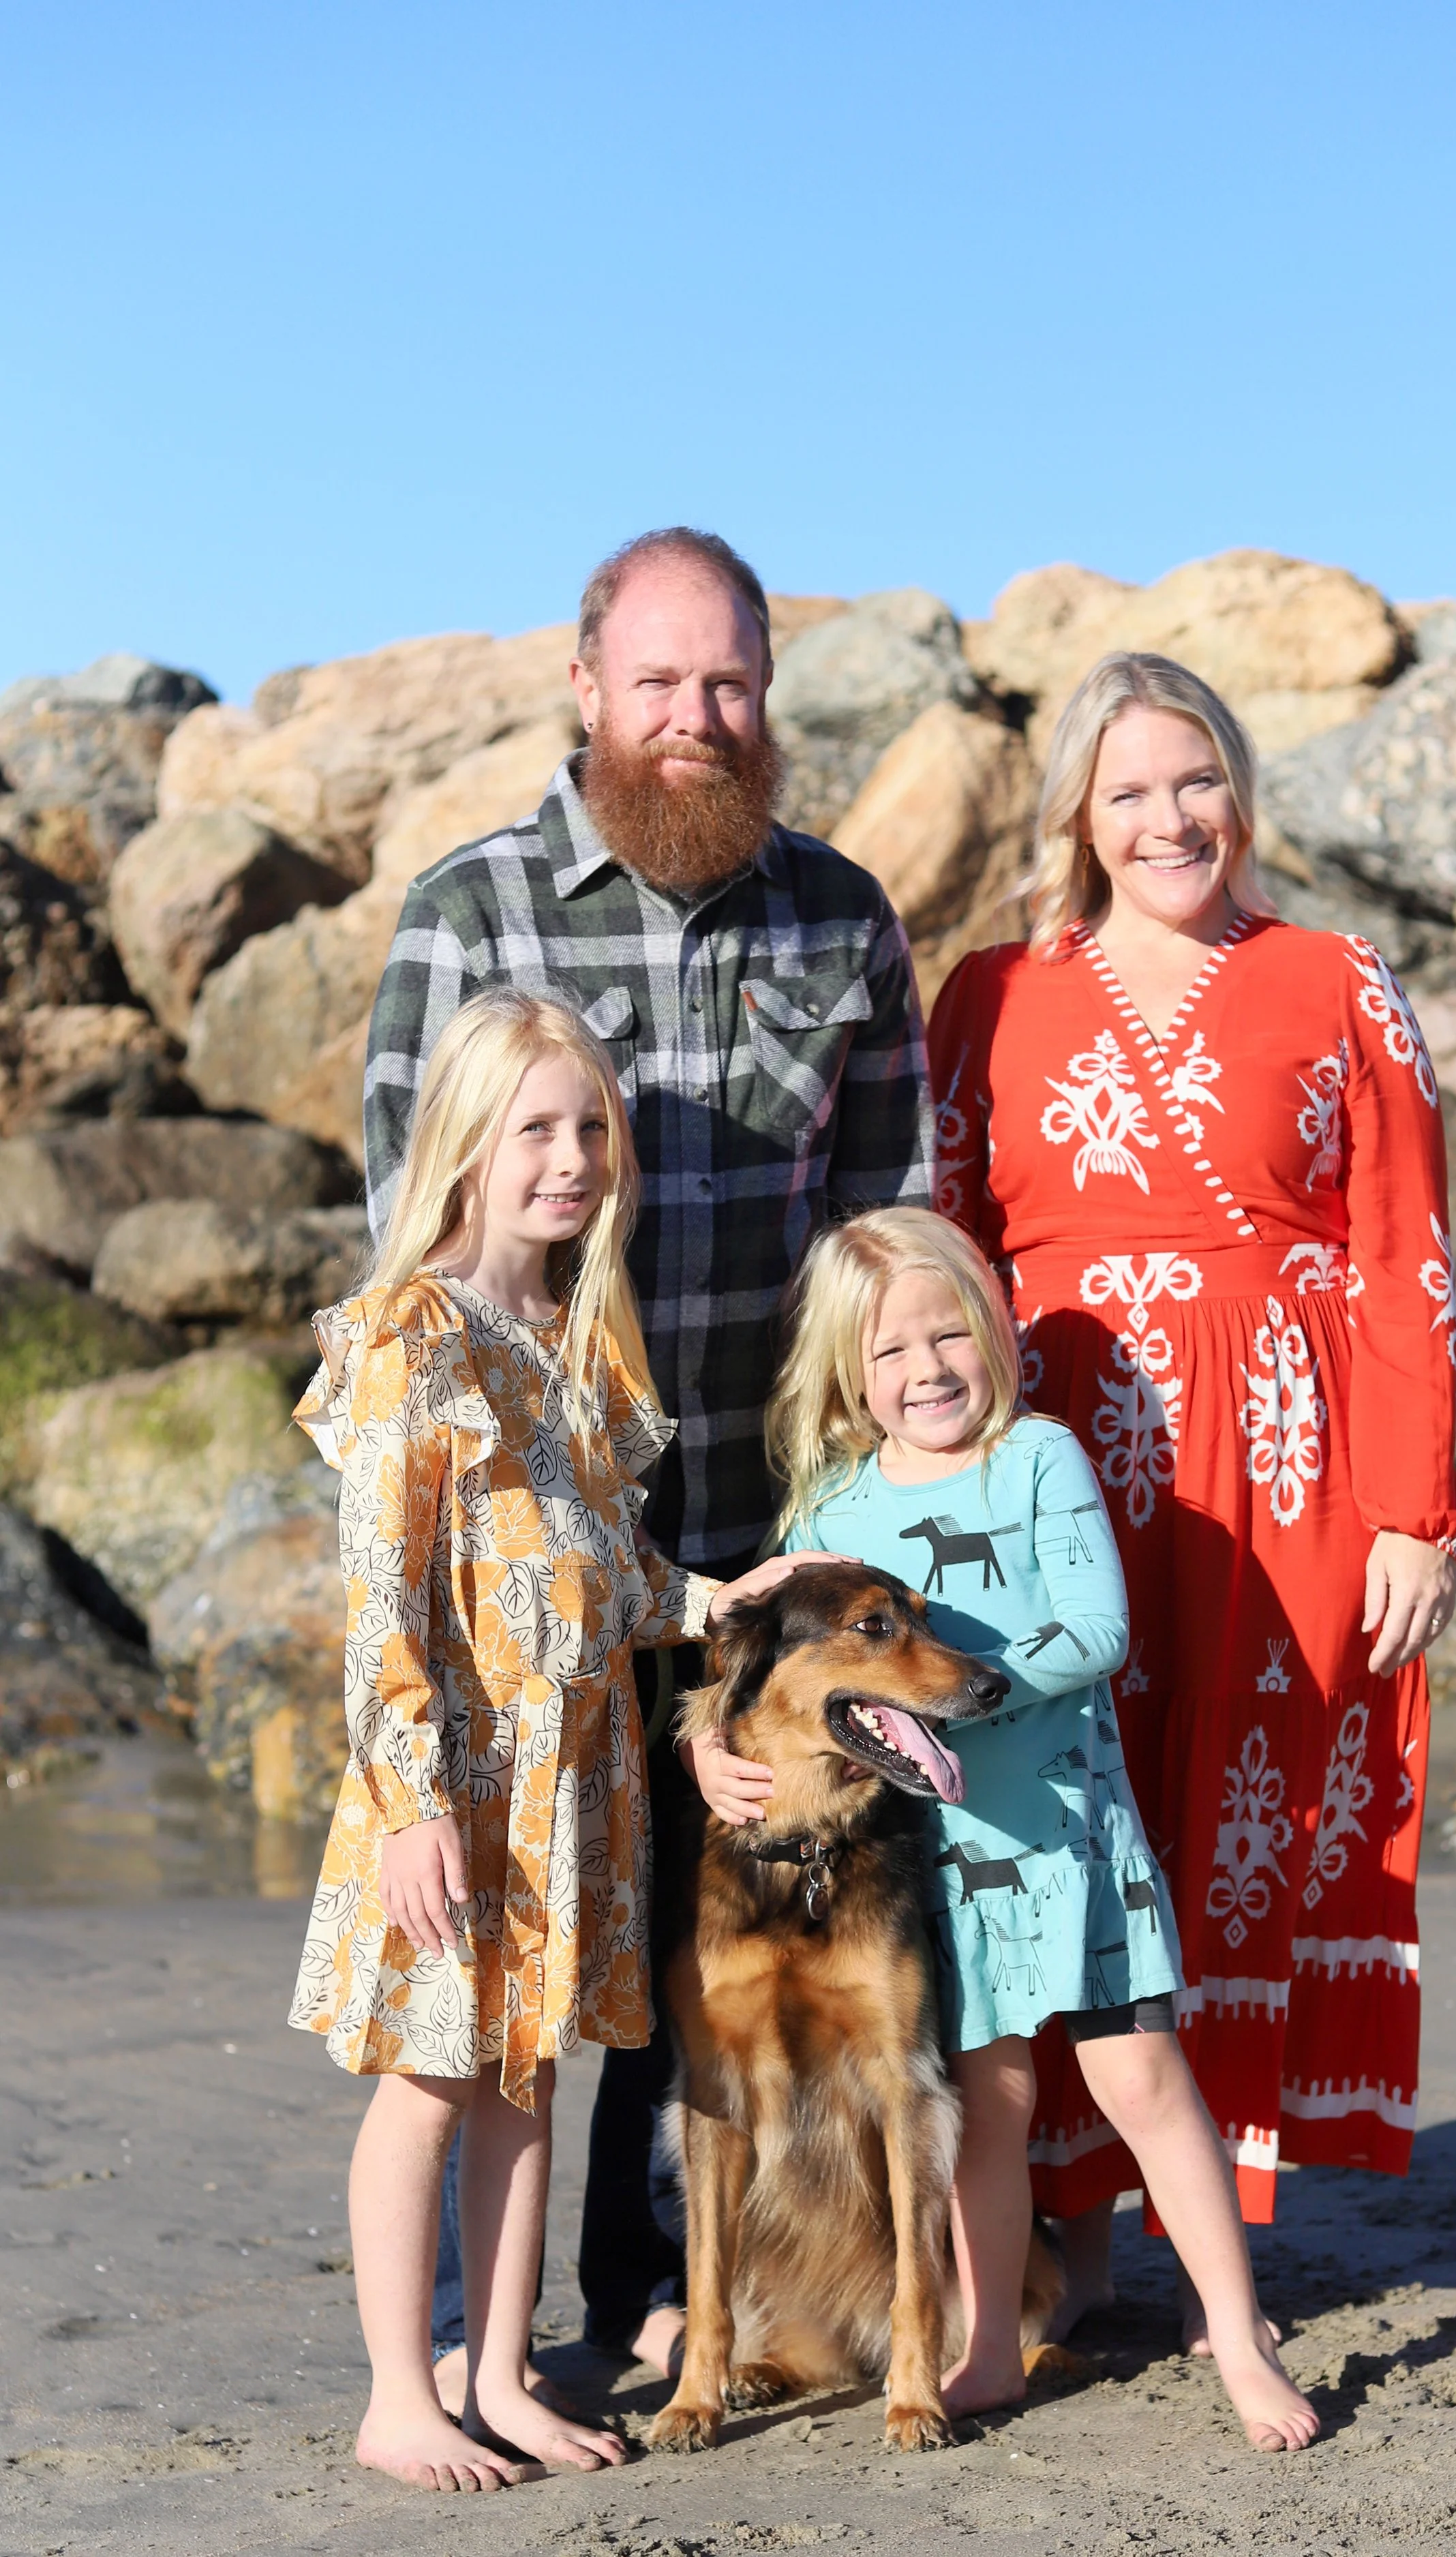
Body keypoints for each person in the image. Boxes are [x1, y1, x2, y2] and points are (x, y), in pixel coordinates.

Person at [362, 526, 934, 2387]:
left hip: (757, 1523)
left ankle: (638, 2294)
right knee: (511, 1903)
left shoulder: (839, 920)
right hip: (536, 1518)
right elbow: (405, 1240)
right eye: (663, 681)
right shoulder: (471, 914)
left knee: (687, 1905)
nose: (698, 717)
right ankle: (454, 2329)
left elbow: (885, 1218)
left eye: (732, 684)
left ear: (765, 694)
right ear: (588, 686)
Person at [924, 652, 1456, 2343]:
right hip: (1054, 1464)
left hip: (1289, 1469)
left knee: (1232, 1814)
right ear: (1076, 820)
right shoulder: (990, 993)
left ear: (1236, 793)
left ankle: (1179, 2214)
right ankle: (1063, 2238)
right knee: (1055, 1820)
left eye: (1195, 782)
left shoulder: (1335, 980)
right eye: (1128, 791)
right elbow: (940, 1258)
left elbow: (1403, 1255)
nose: (1168, 818)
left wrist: (1415, 1509)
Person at [287, 988, 832, 2491]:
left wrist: (727, 1597)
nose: (569, 1157)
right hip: (452, 1788)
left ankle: (509, 2373)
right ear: (464, 1147)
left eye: (590, 1127)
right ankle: (405, 2389)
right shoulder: (416, 1339)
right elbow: (385, 1600)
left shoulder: (575, 1338)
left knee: (527, 2078)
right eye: (533, 1128)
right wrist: (409, 1804)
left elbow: (605, 1573)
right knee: (429, 2080)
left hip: (570, 1784)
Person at [686, 1206, 1317, 2450]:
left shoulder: (1039, 1458)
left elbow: (1097, 1630)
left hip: (1073, 1843)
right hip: (940, 1868)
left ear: (991, 1332)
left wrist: (956, 1682)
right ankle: (981, 2349)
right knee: (989, 2099)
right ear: (849, 1378)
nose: (926, 1369)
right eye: (890, 1352)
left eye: (947, 1334)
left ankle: (1236, 2334)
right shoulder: (833, 1503)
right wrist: (710, 1749)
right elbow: (752, 1661)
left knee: (1141, 2077)